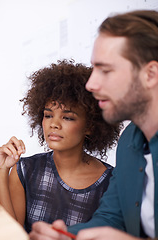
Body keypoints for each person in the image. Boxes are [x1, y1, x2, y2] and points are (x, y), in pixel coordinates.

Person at [29, 10, 158, 240]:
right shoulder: (129, 141)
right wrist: (63, 235)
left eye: (105, 70)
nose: (91, 84)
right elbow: (110, 219)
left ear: (150, 74)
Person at [0, 59, 122, 233]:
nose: (54, 124)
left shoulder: (110, 183)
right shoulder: (25, 170)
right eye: (48, 115)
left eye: (67, 117)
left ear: (90, 126)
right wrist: (0, 172)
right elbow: (7, 235)